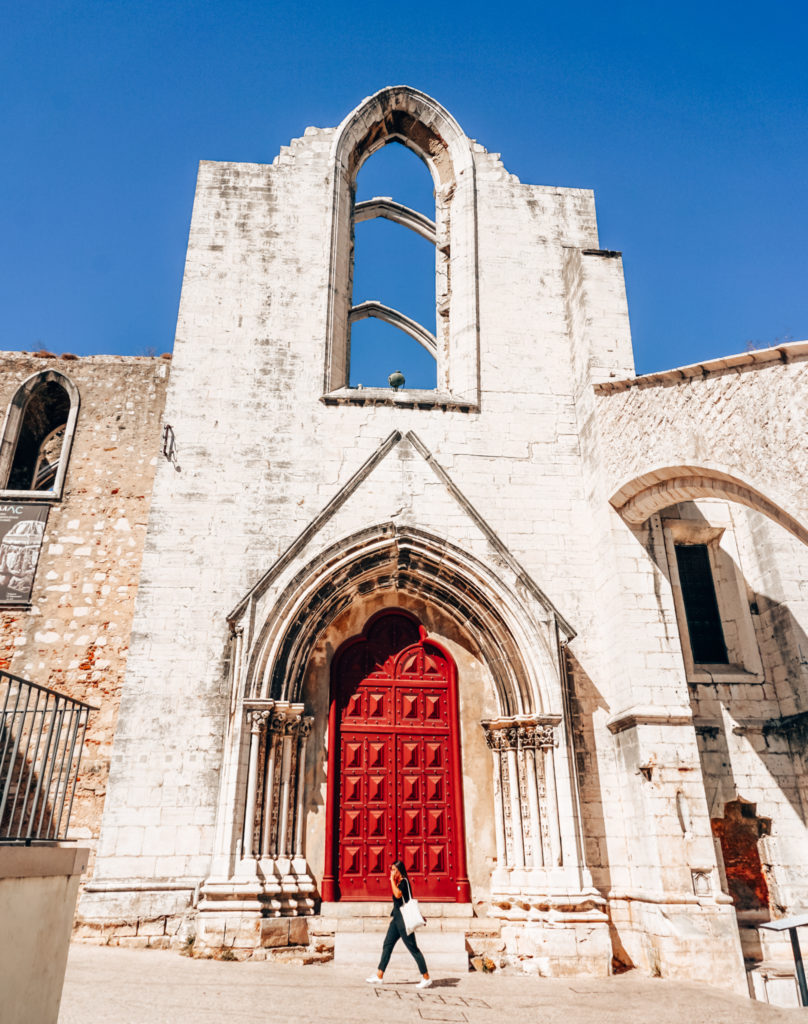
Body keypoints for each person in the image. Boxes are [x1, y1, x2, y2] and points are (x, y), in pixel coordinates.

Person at [366, 859, 432, 988]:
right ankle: (379, 975)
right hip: (396, 919)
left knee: (413, 948)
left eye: (394, 870)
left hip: (403, 921)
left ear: (399, 871)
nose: (391, 872)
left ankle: (426, 977)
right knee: (387, 945)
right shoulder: (398, 882)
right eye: (391, 870)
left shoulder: (403, 882)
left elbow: (397, 895)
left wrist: (391, 880)